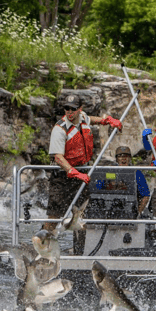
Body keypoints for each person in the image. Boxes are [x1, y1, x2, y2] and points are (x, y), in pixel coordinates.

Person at [44, 94, 123, 246]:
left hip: (81, 173)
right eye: (66, 108)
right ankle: (42, 248)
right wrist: (73, 171)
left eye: (73, 109)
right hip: (62, 176)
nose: (69, 112)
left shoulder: (82, 118)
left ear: (80, 109)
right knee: (54, 216)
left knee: (80, 215)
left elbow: (91, 119)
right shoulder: (59, 129)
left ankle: (79, 250)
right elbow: (58, 157)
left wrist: (106, 121)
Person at [113, 145, 150, 217]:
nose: (123, 158)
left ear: (130, 159)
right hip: (111, 207)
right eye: (120, 156)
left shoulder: (137, 173)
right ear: (117, 159)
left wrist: (138, 213)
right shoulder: (110, 172)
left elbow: (145, 196)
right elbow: (99, 188)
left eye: (126, 156)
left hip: (130, 208)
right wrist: (113, 185)